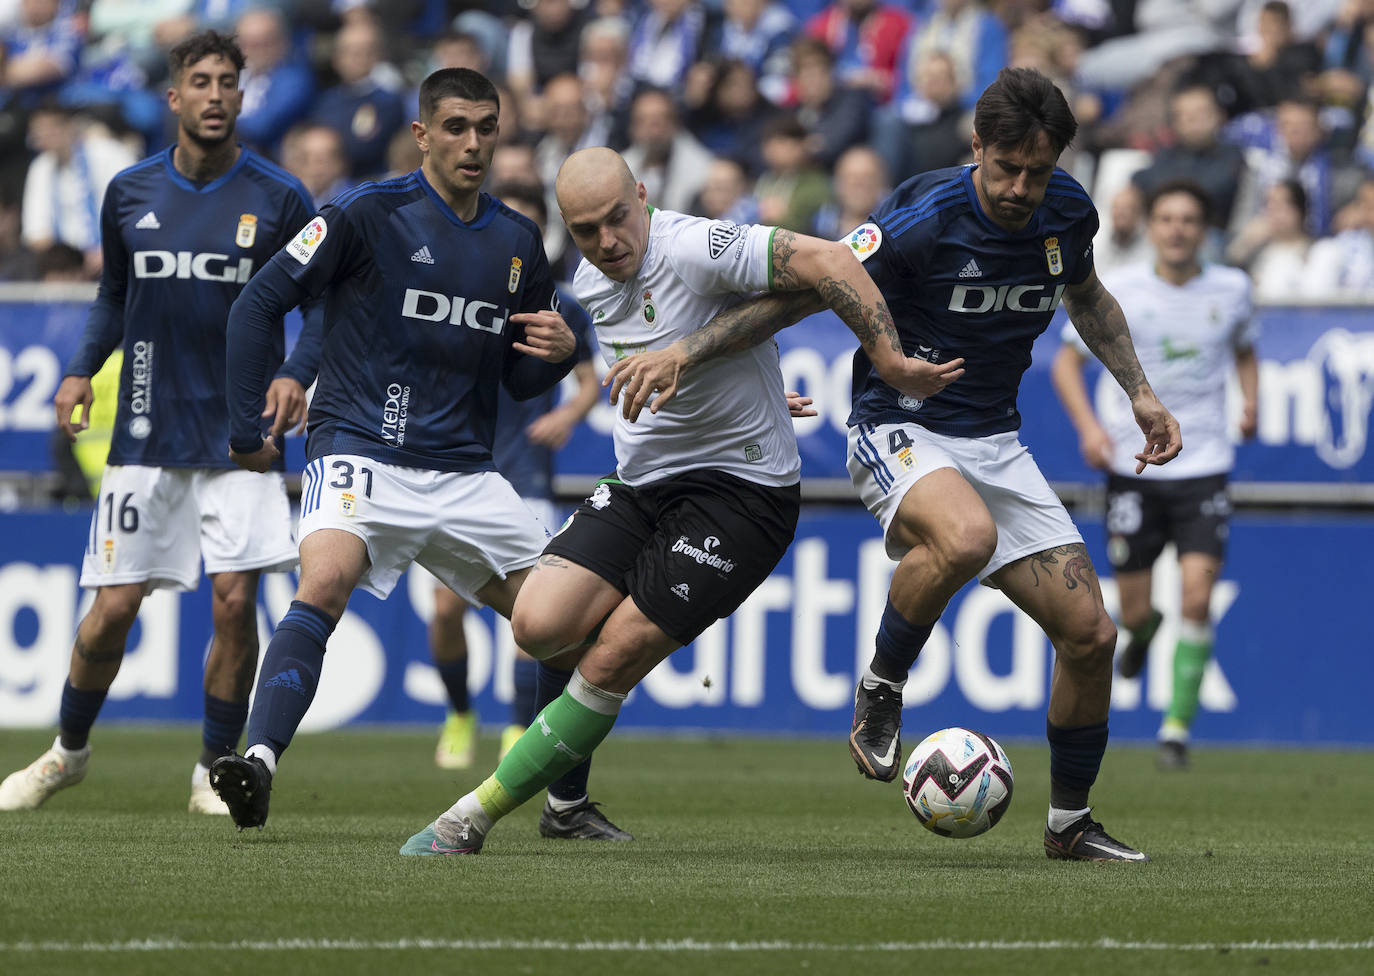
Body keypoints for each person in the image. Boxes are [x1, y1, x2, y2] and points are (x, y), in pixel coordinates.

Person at [610, 68, 1182, 863]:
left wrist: (1141, 394)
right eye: (1006, 167)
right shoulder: (923, 213)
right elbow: (811, 289)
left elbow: (1087, 296)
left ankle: (1069, 826)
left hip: (995, 442)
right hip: (897, 425)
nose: (1020, 188)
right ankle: (881, 689)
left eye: (1037, 171)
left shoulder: (1067, 212)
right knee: (964, 536)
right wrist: (687, 350)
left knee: (1091, 636)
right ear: (975, 146)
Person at [398, 144, 961, 855]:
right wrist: (747, 387)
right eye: (586, 231)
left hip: (741, 496)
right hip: (643, 484)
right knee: (540, 625)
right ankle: (567, 805)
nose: (607, 242)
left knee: (612, 656)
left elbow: (834, 261)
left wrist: (885, 358)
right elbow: (666, 351)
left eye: (617, 220)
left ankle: (468, 819)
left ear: (643, 196)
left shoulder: (696, 244)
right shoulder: (590, 281)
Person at [209, 68, 587, 835]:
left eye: (486, 127)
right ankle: (259, 763)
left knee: (568, 628)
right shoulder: (362, 214)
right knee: (323, 585)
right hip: (361, 448)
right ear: (422, 134)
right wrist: (247, 430)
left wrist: (558, 352)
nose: (473, 142)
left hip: (465, 474)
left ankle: (566, 806)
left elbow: (516, 381)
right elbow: (258, 304)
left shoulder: (518, 242)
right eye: (456, 127)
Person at [0, 31, 320, 815]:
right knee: (111, 610)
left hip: (241, 440)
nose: (214, 95)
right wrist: (80, 369)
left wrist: (293, 372)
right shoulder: (130, 192)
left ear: (244, 97)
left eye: (227, 83)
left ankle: (213, 768)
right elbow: (113, 296)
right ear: (174, 97)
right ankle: (67, 753)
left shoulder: (281, 199)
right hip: (145, 434)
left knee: (235, 603)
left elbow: (324, 306)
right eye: (200, 82)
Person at [1051, 180, 1258, 771]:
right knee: (1136, 611)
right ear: (1151, 226)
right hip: (1133, 465)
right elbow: (1066, 362)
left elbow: (1245, 349)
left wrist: (1252, 399)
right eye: (1166, 218)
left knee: (1198, 596)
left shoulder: (1234, 289)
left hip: (1205, 465)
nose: (1176, 229)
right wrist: (1091, 430)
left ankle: (1175, 730)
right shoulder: (1123, 291)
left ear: (1204, 230)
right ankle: (1142, 636)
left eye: (1188, 219)